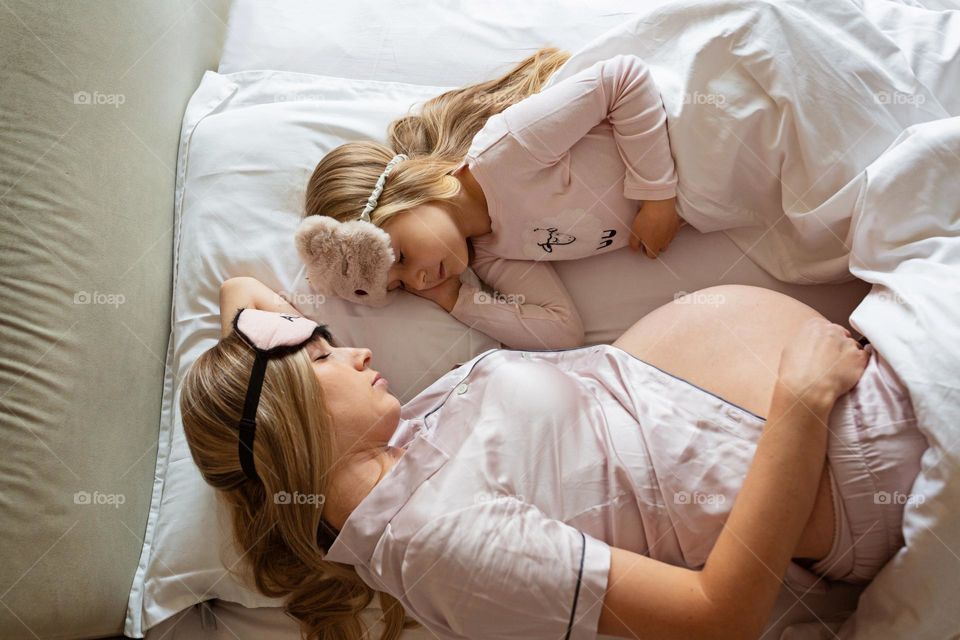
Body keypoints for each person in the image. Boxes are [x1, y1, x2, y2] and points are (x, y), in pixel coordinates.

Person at [180, 277, 926, 640]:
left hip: (848, 404)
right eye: (324, 357)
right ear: (291, 421)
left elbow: (239, 286)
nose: (359, 349)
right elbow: (714, 619)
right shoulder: (441, 539)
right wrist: (798, 400)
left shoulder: (400, 443)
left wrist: (256, 360)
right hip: (847, 446)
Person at [295, 47, 682, 350]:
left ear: (406, 189)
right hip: (710, 204)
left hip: (688, 141)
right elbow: (562, 330)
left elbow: (623, 78)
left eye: (401, 258)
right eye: (400, 286)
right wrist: (457, 301)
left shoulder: (502, 155)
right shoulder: (495, 254)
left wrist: (657, 198)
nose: (419, 279)